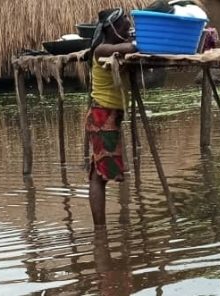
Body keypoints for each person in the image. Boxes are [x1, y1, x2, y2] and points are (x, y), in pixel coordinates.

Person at [86, 8, 136, 228]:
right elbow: (129, 47)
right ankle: (100, 230)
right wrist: (136, 41)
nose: (128, 22)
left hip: (107, 115)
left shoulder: (110, 50)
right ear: (111, 27)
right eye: (124, 20)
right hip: (102, 115)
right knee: (99, 176)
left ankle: (101, 230)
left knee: (99, 173)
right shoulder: (101, 49)